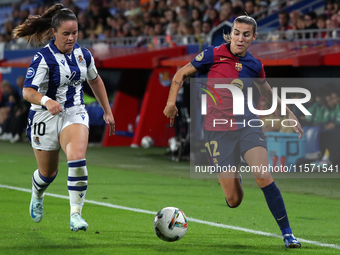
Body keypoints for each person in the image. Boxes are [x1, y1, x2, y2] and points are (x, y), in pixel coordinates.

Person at [163, 15, 302, 248]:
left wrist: (288, 113)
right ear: (231, 33)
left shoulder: (255, 65)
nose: (240, 38)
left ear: (253, 37)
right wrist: (171, 103)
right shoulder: (213, 54)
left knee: (263, 175)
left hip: (248, 126)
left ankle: (288, 234)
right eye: (237, 33)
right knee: (234, 199)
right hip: (217, 132)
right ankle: (233, 174)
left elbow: (267, 93)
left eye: (246, 35)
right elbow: (180, 74)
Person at [12, 4, 115, 231]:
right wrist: (47, 101)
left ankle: (75, 215)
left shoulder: (83, 55)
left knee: (77, 157)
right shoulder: (42, 58)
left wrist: (107, 110)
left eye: (75, 33)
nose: (71, 38)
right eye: (66, 33)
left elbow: (95, 80)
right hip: (43, 116)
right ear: (54, 33)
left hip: (74, 111)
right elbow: (27, 91)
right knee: (48, 173)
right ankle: (37, 192)